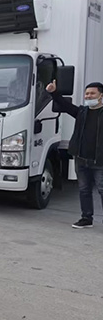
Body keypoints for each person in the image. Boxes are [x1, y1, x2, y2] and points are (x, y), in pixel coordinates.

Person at [46, 80, 103, 229]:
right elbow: (65, 105)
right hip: (81, 158)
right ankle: (86, 218)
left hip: (99, 161)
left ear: (101, 96)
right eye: (87, 93)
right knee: (84, 190)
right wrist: (54, 92)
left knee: (102, 190)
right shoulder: (82, 112)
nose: (88, 96)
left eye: (92, 93)